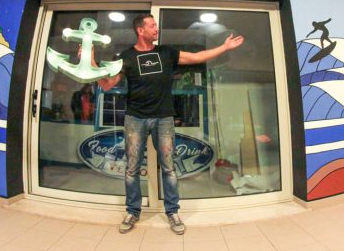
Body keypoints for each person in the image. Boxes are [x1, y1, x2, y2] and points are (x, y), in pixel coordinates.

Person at [93, 13, 244, 235]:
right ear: (140, 30)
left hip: (164, 118)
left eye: (156, 25)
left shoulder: (166, 53)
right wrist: (91, 62)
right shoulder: (126, 57)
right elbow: (107, 85)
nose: (157, 29)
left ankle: (172, 212)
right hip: (135, 118)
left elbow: (197, 57)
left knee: (169, 167)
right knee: (132, 169)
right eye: (152, 26)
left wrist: (224, 47)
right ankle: (133, 211)